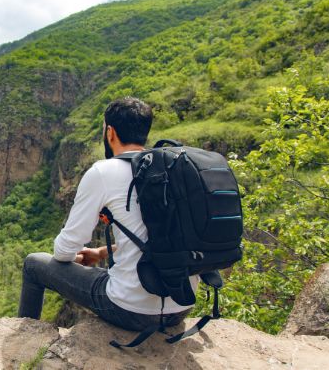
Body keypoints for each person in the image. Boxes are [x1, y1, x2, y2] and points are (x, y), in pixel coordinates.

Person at [18, 97, 199, 332]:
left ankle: (25, 338)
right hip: (181, 306)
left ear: (110, 132)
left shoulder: (103, 172)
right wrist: (102, 252)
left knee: (33, 264)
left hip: (131, 311)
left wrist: (75, 256)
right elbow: (159, 237)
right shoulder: (171, 168)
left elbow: (64, 251)